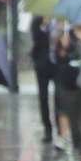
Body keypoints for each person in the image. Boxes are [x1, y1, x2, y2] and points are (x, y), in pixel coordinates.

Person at [54, 23, 81, 161]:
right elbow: (59, 59)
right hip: (69, 80)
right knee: (73, 113)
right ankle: (77, 141)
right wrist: (63, 49)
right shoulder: (67, 35)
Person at [30, 15, 55, 143]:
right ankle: (48, 129)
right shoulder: (37, 22)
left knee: (61, 99)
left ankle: (62, 130)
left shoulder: (61, 22)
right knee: (43, 97)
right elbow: (36, 40)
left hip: (59, 66)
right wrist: (44, 25)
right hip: (42, 65)